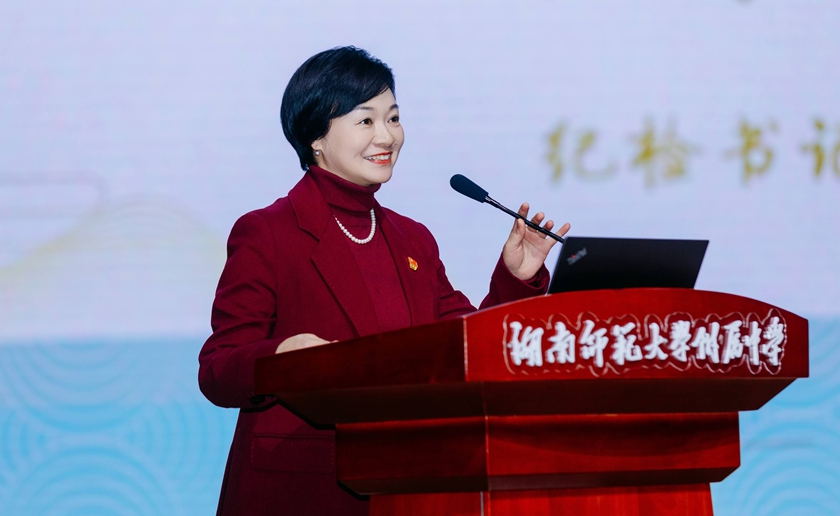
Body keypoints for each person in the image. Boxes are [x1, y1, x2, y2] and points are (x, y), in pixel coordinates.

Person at [198, 46, 570, 516]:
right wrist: (281, 358)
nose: (387, 136)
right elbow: (217, 369)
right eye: (366, 120)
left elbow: (464, 346)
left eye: (393, 118)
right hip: (303, 490)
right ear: (316, 136)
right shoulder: (267, 232)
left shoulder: (413, 239)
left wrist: (516, 278)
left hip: (408, 490)